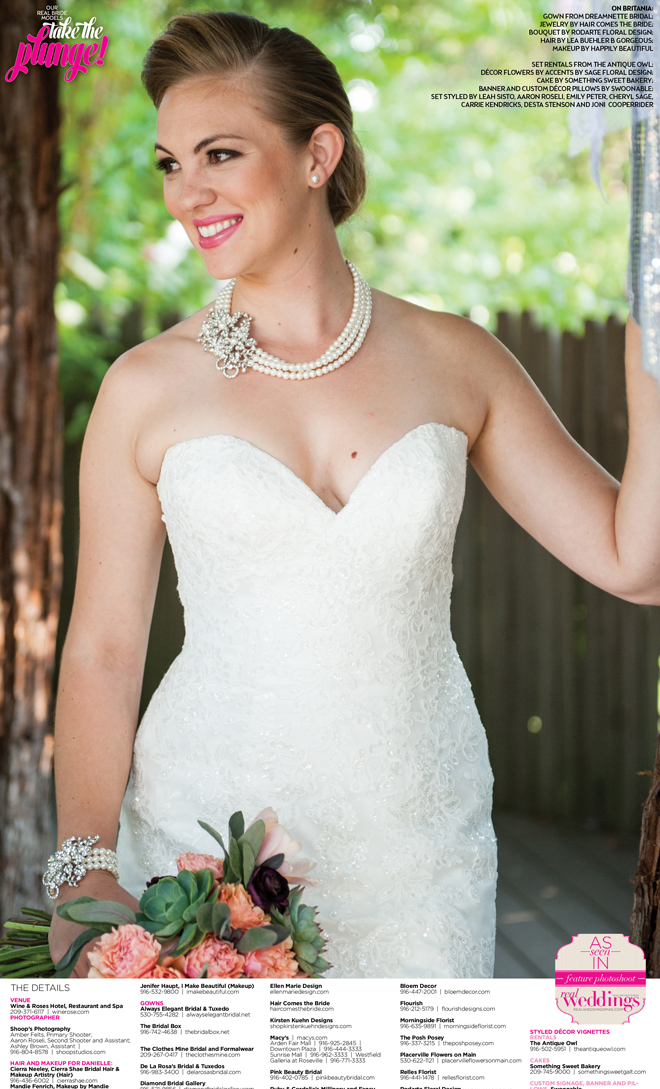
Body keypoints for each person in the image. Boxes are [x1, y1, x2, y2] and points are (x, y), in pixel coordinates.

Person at [48, 11, 660, 978]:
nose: (187, 193)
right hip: (201, 851)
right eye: (170, 164)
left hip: (419, 858)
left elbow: (636, 562)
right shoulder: (145, 388)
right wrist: (81, 872)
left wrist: (650, 336)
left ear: (317, 154)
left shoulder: (456, 359)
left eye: (219, 154)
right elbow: (103, 653)